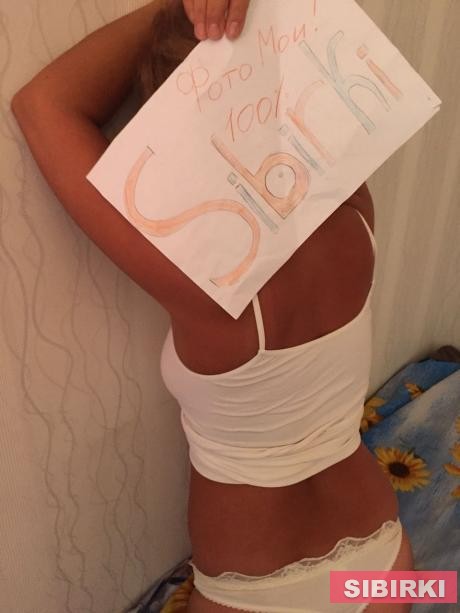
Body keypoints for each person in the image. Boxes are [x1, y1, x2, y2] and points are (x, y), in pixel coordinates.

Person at [11, 1, 414, 611]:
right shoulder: (357, 212)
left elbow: (43, 105)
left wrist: (179, 6)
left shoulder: (198, 283)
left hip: (256, 595)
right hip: (387, 565)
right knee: (438, 591)